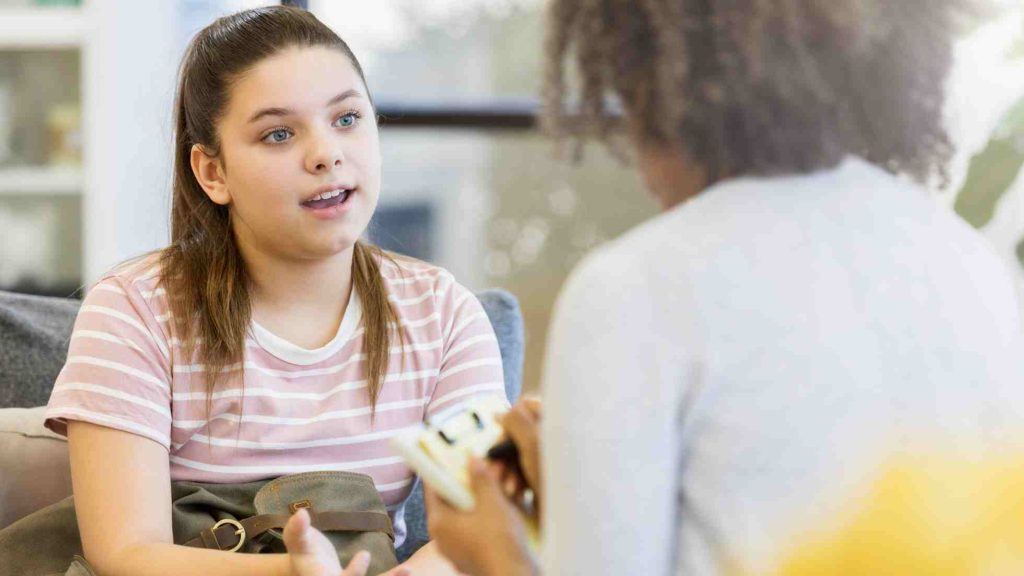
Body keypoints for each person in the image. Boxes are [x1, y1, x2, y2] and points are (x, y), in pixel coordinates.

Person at [425, 0, 1024, 574]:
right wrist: (584, 502)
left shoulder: (636, 287)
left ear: (650, 77)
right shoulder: (966, 259)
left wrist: (495, 555)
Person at [40, 6, 506, 576]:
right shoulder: (132, 310)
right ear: (213, 173)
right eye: (279, 133)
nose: (326, 154)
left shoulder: (445, 314)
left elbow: (480, 535)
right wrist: (292, 572)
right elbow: (124, 552)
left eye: (347, 118)